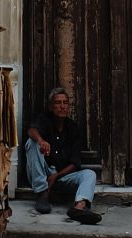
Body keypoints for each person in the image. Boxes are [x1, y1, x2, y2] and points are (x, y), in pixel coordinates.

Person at [25, 87, 101, 224]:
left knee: (90, 174)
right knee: (32, 143)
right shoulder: (44, 120)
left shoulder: (73, 128)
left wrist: (56, 176)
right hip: (43, 175)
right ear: (51, 106)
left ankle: (79, 208)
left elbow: (75, 163)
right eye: (58, 103)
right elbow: (32, 130)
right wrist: (41, 141)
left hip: (62, 176)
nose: (62, 106)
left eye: (65, 103)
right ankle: (42, 194)